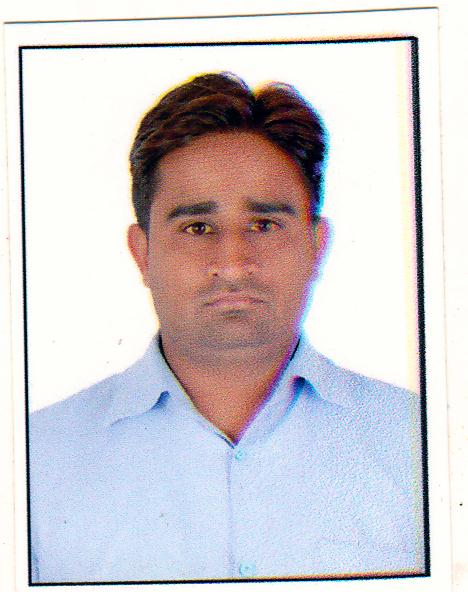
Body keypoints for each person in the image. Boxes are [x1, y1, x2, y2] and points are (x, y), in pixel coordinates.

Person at [29, 72, 424, 583]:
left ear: (316, 245)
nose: (234, 265)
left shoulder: (422, 444)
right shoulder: (33, 460)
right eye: (197, 227)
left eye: (264, 224)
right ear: (142, 253)